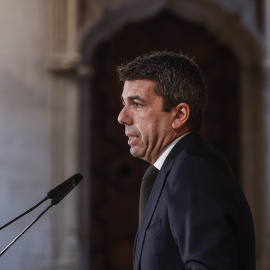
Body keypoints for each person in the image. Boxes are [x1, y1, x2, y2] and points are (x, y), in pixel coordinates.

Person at [117, 51, 255, 270]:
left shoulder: (193, 170)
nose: (122, 117)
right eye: (124, 103)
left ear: (179, 115)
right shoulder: (174, 168)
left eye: (137, 104)